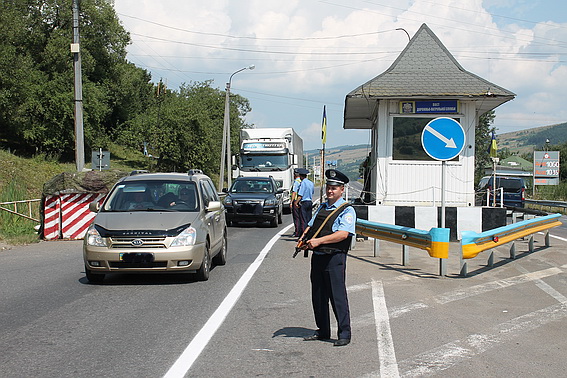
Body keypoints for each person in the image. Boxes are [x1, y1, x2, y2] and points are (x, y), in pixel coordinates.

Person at [300, 169, 356, 347]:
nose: (330, 191)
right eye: (328, 187)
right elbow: (311, 226)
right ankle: (323, 330)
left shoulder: (347, 210)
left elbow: (343, 234)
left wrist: (318, 241)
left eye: (334, 188)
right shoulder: (322, 207)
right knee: (318, 295)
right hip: (318, 256)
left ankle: (344, 333)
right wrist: (303, 239)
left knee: (337, 296)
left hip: (334, 258)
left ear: (341, 189)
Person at [294, 168, 313, 236]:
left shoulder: (303, 183)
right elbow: (312, 192)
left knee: (303, 220)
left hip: (304, 203)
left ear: (301, 176)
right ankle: (309, 234)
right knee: (309, 219)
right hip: (310, 202)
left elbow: (300, 195)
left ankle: (303, 235)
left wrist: (296, 202)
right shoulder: (311, 183)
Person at [290, 168, 302, 237]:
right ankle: (300, 231)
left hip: (296, 201)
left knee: (296, 217)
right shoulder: (301, 181)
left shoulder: (296, 182)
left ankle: (297, 232)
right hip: (301, 201)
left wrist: (291, 202)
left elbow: (294, 192)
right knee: (301, 217)